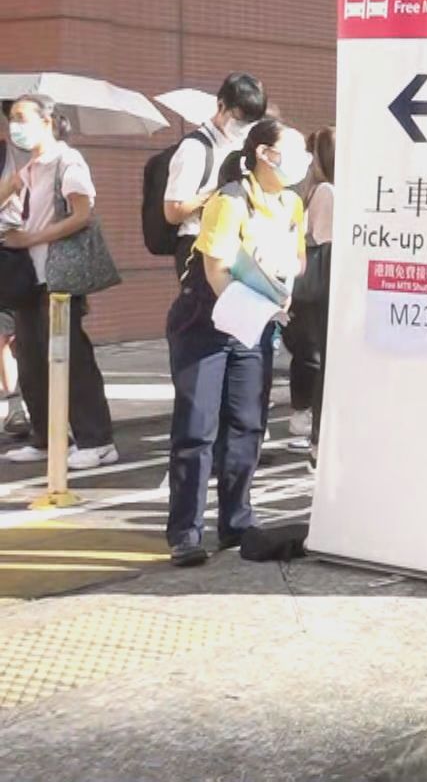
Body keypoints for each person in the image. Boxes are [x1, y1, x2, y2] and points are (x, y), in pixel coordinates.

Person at [163, 118, 308, 565]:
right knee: (197, 428)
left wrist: (281, 276)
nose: (301, 160)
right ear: (264, 154)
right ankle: (186, 532)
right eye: (293, 150)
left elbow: (299, 258)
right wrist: (251, 307)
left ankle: (236, 522)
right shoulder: (229, 201)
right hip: (207, 322)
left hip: (255, 321)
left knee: (247, 424)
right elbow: (216, 270)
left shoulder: (290, 202)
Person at [0, 96, 117, 469]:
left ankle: (97, 440)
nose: (14, 126)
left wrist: (32, 239)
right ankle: (46, 436)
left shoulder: (69, 161)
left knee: (71, 358)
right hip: (28, 276)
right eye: (11, 119)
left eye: (21, 118)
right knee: (31, 358)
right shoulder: (30, 166)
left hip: (59, 274)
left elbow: (82, 215)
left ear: (47, 121)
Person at [162, 73, 268, 280]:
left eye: (250, 123)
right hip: (198, 246)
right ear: (220, 106)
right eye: (239, 120)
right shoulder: (194, 149)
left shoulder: (243, 146)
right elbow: (173, 212)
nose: (243, 128)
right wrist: (219, 193)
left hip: (235, 245)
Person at [284, 126, 333, 460]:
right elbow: (326, 240)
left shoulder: (313, 189)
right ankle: (318, 437)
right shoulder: (327, 191)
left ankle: (316, 435)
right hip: (322, 284)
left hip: (311, 285)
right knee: (322, 362)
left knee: (320, 361)